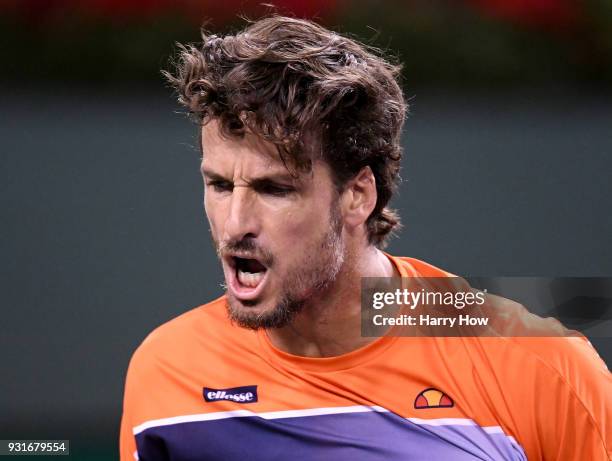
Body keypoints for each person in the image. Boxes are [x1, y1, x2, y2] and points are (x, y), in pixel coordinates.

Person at [120, 15, 611, 461]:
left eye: (275, 189)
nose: (234, 224)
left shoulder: (538, 364)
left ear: (357, 196)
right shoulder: (166, 377)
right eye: (220, 186)